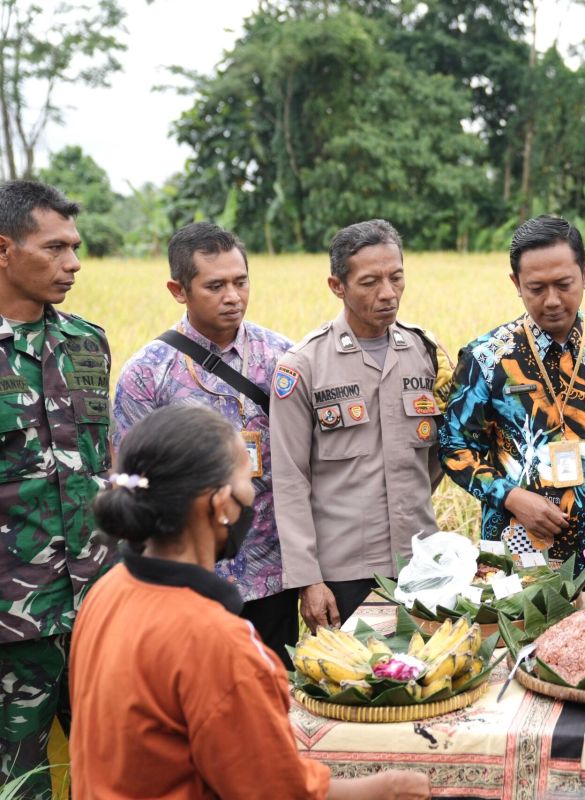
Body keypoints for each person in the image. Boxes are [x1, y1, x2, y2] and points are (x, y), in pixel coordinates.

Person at [69, 404, 430, 799]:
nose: (252, 498)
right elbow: (277, 791)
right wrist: (387, 788)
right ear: (220, 504)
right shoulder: (217, 643)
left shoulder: (107, 592)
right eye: (248, 483)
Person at [440, 215, 585, 580]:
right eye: (536, 288)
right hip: (516, 547)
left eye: (564, 284)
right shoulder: (486, 357)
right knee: (521, 636)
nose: (552, 301)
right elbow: (453, 445)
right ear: (515, 283)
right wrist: (510, 497)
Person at [112, 222, 298, 666]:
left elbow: (308, 466)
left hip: (273, 573)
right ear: (179, 290)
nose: (232, 296)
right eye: (215, 285)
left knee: (275, 700)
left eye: (241, 281)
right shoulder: (146, 374)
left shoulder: (284, 358)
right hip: (190, 582)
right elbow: (130, 483)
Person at [272, 219, 450, 632]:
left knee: (429, 678)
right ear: (337, 286)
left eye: (396, 277)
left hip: (419, 563)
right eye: (370, 282)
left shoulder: (424, 353)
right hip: (343, 573)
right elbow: (290, 479)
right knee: (354, 688)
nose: (388, 293)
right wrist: (308, 580)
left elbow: (437, 457)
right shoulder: (304, 366)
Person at [0, 180, 114, 797]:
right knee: (20, 783)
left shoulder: (86, 343)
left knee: (118, 772)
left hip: (98, 611)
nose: (73, 264)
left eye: (75, 247)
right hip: (12, 628)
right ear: (3, 250)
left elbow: (103, 466)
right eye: (54, 248)